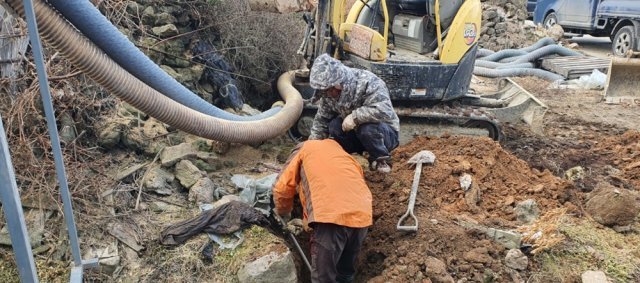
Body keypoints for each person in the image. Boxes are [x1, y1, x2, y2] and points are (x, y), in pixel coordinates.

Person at [272, 139, 372, 283]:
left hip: (330, 220)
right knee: (345, 272)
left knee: (323, 279)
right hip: (362, 215)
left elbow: (282, 187)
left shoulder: (304, 149)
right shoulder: (343, 154)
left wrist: (283, 212)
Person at [308, 53, 400, 173]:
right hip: (357, 137)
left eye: (330, 90)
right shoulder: (328, 94)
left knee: (367, 128)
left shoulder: (368, 82)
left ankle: (381, 161)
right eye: (325, 91)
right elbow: (322, 120)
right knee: (334, 126)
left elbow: (383, 110)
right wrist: (312, 145)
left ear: (338, 83)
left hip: (383, 135)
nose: (328, 94)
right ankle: (352, 158)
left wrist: (355, 117)